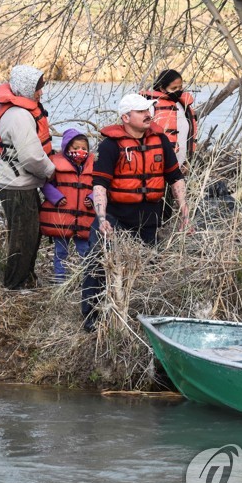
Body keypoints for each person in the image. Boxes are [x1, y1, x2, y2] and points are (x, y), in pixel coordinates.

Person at [80, 93, 189, 331]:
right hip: (116, 215)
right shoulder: (110, 145)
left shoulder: (159, 140)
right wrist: (101, 219)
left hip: (149, 216)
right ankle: (92, 316)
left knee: (149, 265)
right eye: (141, 111)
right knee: (98, 260)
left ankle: (143, 315)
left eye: (148, 110)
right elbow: (99, 185)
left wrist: (184, 209)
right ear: (126, 117)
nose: (148, 114)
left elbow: (175, 177)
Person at [0, 64, 56, 290]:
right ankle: (14, 287)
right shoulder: (18, 115)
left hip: (18, 183)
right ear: (27, 89)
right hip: (16, 185)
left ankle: (25, 278)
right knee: (23, 238)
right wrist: (51, 171)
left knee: (31, 234)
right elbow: (31, 158)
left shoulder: (19, 110)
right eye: (38, 88)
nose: (41, 92)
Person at [39, 129, 95, 284]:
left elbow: (100, 187)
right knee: (60, 252)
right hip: (61, 219)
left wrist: (92, 198)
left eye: (84, 148)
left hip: (83, 220)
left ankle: (87, 282)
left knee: (85, 252)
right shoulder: (54, 165)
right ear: (66, 148)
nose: (80, 151)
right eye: (75, 148)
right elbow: (45, 184)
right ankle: (60, 282)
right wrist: (56, 197)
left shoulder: (93, 166)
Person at [141, 68, 198, 173]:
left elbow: (189, 136)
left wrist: (188, 162)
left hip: (180, 167)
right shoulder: (151, 105)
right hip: (156, 166)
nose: (178, 90)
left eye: (180, 87)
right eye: (174, 88)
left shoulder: (184, 107)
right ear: (162, 88)